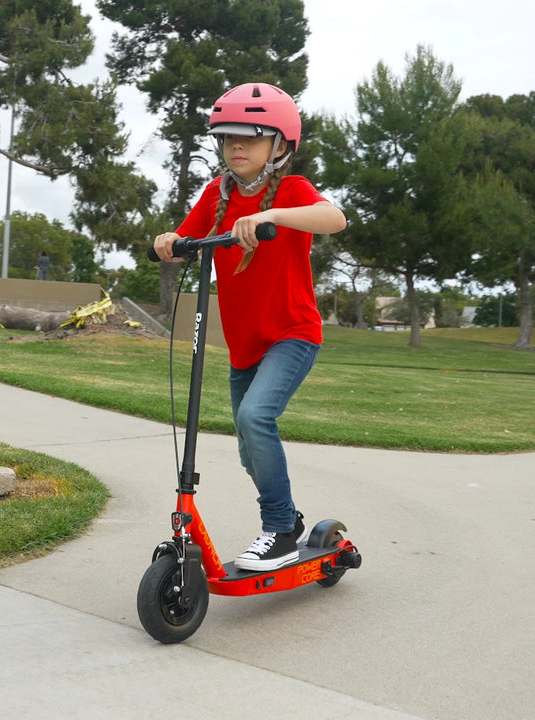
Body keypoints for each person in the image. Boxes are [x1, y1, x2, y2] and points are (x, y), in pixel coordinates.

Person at [153, 83, 347, 571]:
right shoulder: (215, 194)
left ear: (280, 145)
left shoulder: (291, 191)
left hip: (292, 333)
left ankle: (279, 529)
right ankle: (289, 519)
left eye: (251, 137)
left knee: (256, 417)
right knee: (247, 443)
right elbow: (187, 234)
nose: (236, 147)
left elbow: (335, 218)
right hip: (245, 345)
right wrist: (169, 240)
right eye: (227, 137)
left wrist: (274, 215)